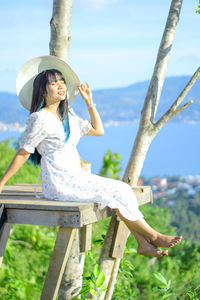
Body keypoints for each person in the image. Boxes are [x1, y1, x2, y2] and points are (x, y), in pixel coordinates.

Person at [0, 56, 182, 257]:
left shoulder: (67, 114)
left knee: (121, 189)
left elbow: (98, 130)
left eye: (62, 81)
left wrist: (89, 102)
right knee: (113, 193)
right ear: (43, 91)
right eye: (54, 83)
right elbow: (24, 152)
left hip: (76, 177)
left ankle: (143, 243)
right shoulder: (39, 119)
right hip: (59, 182)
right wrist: (2, 183)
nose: (61, 85)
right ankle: (153, 235)